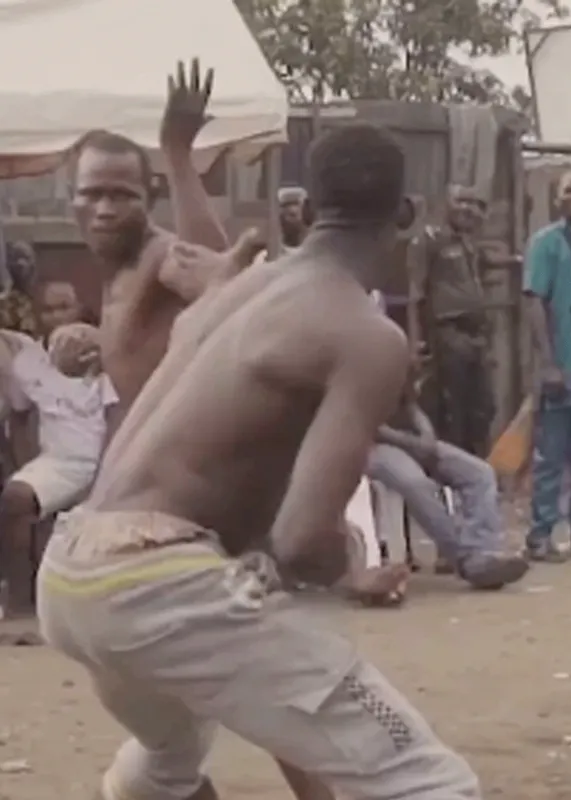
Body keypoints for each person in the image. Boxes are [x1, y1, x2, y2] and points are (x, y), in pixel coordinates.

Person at [37, 122, 481, 800]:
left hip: (71, 575)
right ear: (407, 215)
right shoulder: (366, 334)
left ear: (305, 211)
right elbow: (302, 540)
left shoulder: (233, 290)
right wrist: (350, 568)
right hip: (156, 582)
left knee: (167, 758)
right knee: (429, 780)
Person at [76, 59, 375, 800]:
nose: (105, 207)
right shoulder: (112, 280)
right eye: (91, 194)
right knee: (173, 709)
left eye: (121, 192)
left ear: (145, 198)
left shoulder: (156, 257)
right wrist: (82, 338)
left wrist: (178, 156)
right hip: (144, 520)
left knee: (272, 700)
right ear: (72, 201)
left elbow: (223, 276)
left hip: (201, 510)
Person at [367, 364, 529, 589]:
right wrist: (416, 444)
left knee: (479, 472)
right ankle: (465, 560)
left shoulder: (395, 362)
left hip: (409, 440)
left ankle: (484, 550)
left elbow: (412, 408)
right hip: (370, 446)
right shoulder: (357, 364)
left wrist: (427, 439)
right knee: (416, 484)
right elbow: (372, 428)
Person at [0, 327, 114, 641]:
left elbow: (119, 417)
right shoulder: (31, 364)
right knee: (15, 497)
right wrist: (24, 466)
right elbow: (21, 416)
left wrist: (114, 467)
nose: (56, 318)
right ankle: (21, 602)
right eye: (48, 311)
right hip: (59, 463)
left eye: (64, 308)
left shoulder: (109, 365)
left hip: (105, 458)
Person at [523, 169, 571, 561]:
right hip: (563, 367)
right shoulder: (546, 243)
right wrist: (548, 363)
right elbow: (534, 301)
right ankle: (539, 535)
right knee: (550, 457)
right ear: (558, 198)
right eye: (570, 190)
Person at [416, 184, 497, 457]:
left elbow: (490, 263)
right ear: (446, 204)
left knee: (484, 407)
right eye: (461, 201)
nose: (468, 208)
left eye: (474, 203)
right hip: (449, 333)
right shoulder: (431, 240)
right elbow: (417, 293)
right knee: (453, 411)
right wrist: (417, 342)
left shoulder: (469, 243)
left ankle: (475, 468)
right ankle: (452, 476)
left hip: (476, 336)